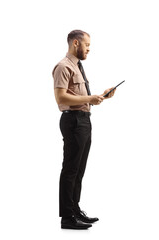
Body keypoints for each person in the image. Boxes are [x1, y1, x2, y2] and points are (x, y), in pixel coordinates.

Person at [52, 30, 116, 230]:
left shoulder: (77, 66)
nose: (89, 49)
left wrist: (100, 97)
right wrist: (89, 98)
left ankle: (75, 209)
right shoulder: (63, 66)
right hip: (73, 122)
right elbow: (61, 98)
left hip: (84, 120)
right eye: (87, 45)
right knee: (70, 170)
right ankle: (67, 218)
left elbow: (79, 97)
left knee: (79, 170)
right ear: (76, 43)